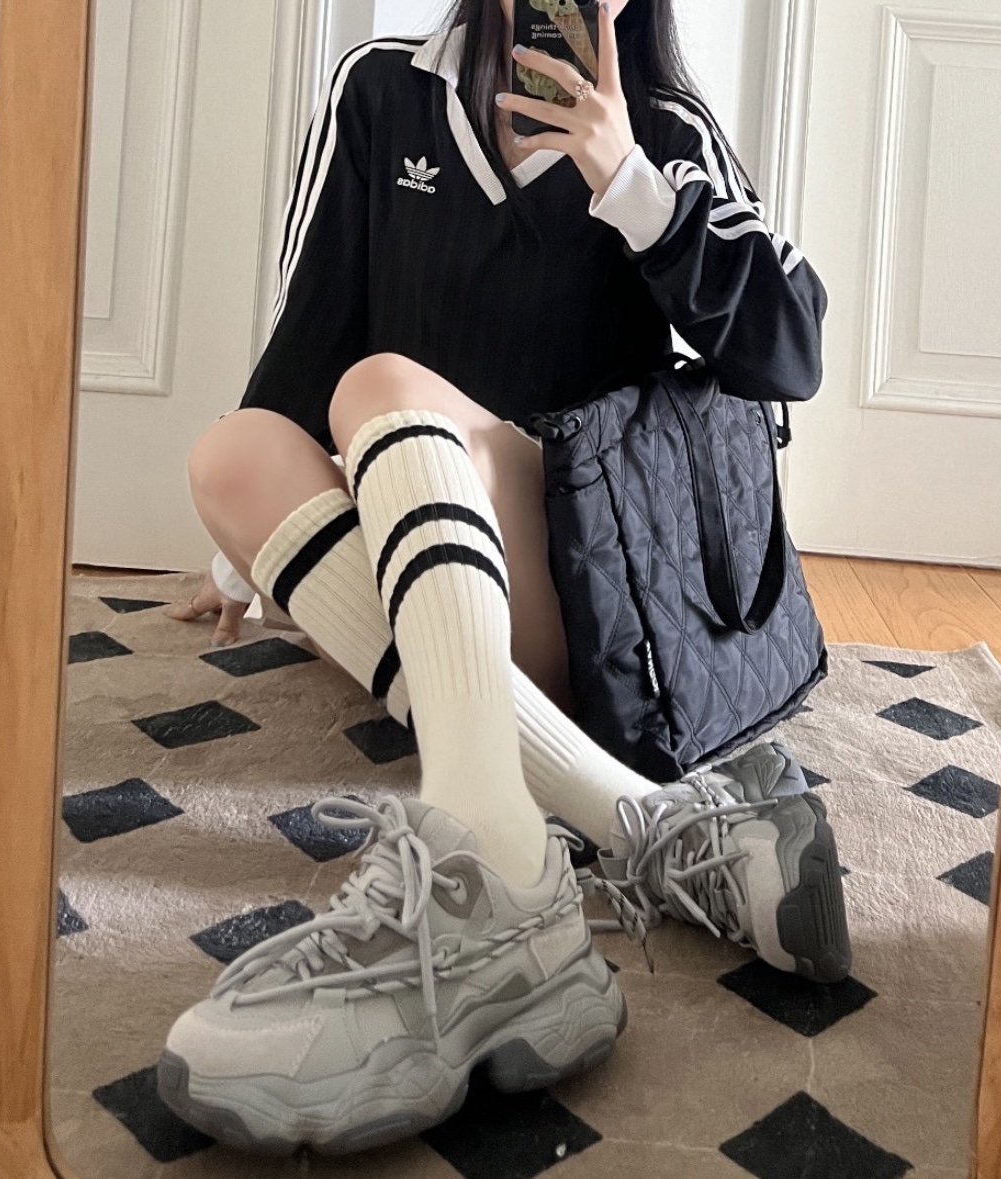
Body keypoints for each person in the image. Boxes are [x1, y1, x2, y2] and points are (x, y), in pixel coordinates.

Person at [157, 0, 846, 1154]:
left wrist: (628, 181)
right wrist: (253, 555)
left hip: (595, 603)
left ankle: (495, 867)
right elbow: (306, 334)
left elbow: (793, 352)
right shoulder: (380, 92)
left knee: (381, 386)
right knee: (232, 454)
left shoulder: (662, 127)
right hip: (431, 559)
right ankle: (631, 823)